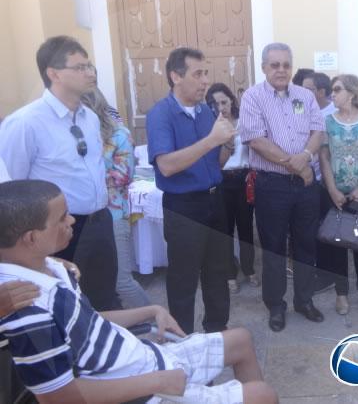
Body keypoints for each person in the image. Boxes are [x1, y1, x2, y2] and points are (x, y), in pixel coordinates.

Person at [0, 179, 278, 404]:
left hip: (141, 359)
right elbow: (58, 397)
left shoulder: (50, 265)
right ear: (32, 238)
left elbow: (89, 322)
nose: (72, 221)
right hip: (138, 388)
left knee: (240, 340)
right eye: (62, 218)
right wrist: (156, 381)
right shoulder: (28, 307)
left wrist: (151, 309)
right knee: (263, 396)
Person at [0, 35, 120, 311]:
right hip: (54, 230)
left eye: (90, 66)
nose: (90, 73)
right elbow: (10, 193)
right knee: (63, 306)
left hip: (100, 221)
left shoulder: (90, 118)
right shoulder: (25, 123)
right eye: (79, 67)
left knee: (103, 298)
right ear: (53, 73)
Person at [146, 47, 236, 334]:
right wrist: (212, 141)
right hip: (184, 206)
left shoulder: (206, 111)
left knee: (218, 272)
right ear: (176, 76)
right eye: (198, 74)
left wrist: (227, 144)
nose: (205, 81)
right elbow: (167, 166)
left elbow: (215, 163)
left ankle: (217, 331)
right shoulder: (161, 114)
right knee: (183, 279)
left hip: (215, 200)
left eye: (206, 73)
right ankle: (182, 339)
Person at [239, 43, 325, 332]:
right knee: (274, 249)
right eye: (274, 65)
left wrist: (306, 158)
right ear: (264, 67)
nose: (281, 70)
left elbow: (318, 131)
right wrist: (298, 165)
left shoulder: (305, 96)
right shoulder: (252, 97)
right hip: (271, 186)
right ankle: (276, 306)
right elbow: (256, 140)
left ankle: (304, 300)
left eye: (286, 65)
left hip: (305, 188)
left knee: (306, 245)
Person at [82, 87, 151, 309]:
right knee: (90, 284)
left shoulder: (118, 134)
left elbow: (123, 176)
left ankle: (160, 326)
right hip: (80, 220)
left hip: (114, 216)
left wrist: (77, 176)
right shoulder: (72, 137)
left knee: (122, 283)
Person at [319, 74, 358, 314]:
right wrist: (333, 189)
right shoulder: (327, 122)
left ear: (352, 94)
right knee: (336, 245)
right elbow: (323, 156)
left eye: (336, 90)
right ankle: (341, 294)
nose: (331, 94)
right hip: (335, 193)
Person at [206, 83, 259, 293]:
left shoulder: (243, 122)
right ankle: (229, 274)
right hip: (222, 181)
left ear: (231, 101)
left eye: (224, 102)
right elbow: (217, 162)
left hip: (244, 180)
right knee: (225, 231)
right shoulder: (210, 128)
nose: (221, 107)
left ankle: (249, 269)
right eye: (215, 104)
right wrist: (226, 140)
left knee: (246, 227)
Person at [302, 72, 337, 293]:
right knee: (312, 229)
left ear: (321, 92)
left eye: (308, 89)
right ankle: (317, 270)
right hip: (308, 178)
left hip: (328, 181)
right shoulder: (302, 110)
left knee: (327, 230)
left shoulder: (333, 114)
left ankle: (327, 275)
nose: (301, 93)